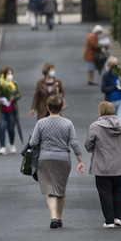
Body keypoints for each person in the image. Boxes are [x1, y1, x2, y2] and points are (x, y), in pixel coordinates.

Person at [28, 95, 85, 228]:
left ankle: (53, 217)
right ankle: (59, 217)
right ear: (61, 108)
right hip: (63, 159)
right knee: (60, 189)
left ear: (47, 107)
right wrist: (80, 160)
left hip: (45, 159)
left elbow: (33, 142)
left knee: (49, 189)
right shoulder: (68, 123)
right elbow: (74, 143)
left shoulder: (41, 123)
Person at [85, 101, 121, 228]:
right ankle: (118, 217)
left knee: (105, 192)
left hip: (101, 166)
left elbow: (88, 145)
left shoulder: (95, 126)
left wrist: (95, 147)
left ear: (100, 112)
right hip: (119, 166)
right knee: (117, 192)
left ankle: (109, 220)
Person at [0, 66, 22, 154]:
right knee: (2, 127)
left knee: (11, 129)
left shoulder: (14, 84)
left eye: (11, 74)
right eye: (8, 74)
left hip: (11, 110)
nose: (10, 75)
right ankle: (2, 147)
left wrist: (13, 97)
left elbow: (19, 95)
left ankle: (11, 143)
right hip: (1, 110)